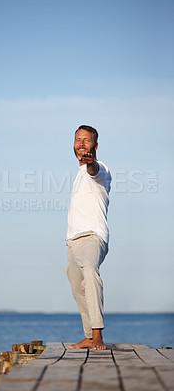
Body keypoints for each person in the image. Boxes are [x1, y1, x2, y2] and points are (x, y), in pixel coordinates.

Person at [66, 125, 112, 350]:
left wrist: (91, 162)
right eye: (78, 139)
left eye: (87, 140)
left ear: (95, 146)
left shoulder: (100, 169)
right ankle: (88, 335)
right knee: (77, 287)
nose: (82, 143)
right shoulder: (78, 175)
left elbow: (93, 168)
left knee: (91, 276)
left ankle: (97, 336)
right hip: (73, 240)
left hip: (92, 236)